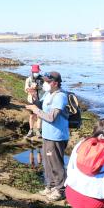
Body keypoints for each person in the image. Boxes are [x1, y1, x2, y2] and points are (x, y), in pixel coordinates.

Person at [26, 71, 69, 201]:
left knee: (56, 164)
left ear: (55, 83)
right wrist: (34, 97)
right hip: (47, 135)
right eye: (45, 81)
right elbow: (40, 105)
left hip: (57, 136)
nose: (45, 83)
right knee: (47, 163)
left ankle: (61, 190)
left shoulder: (60, 96)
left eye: (47, 82)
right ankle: (49, 186)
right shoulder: (48, 93)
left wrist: (36, 111)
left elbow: (51, 118)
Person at [24, 64, 44, 138]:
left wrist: (38, 87)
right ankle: (31, 130)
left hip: (40, 99)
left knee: (39, 115)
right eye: (35, 71)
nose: (36, 73)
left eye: (37, 71)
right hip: (31, 100)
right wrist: (31, 88)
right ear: (32, 72)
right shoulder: (28, 79)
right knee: (32, 115)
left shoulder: (42, 79)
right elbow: (26, 90)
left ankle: (38, 130)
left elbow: (45, 89)